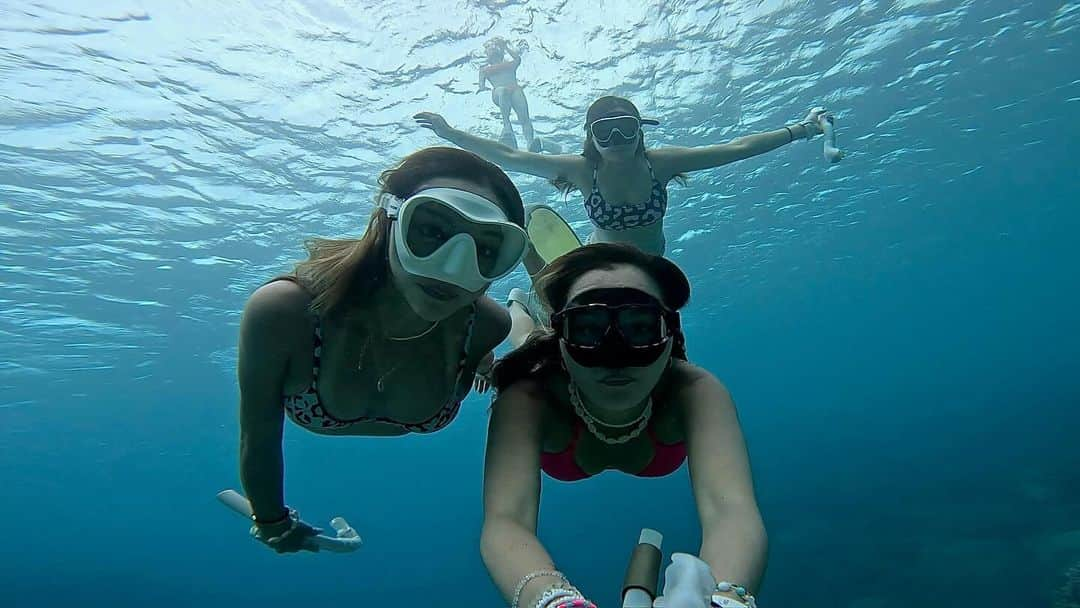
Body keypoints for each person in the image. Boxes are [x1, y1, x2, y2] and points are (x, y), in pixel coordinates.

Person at [237, 147, 528, 552]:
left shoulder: (488, 325)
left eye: (487, 248)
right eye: (430, 230)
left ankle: (521, 307)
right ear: (388, 220)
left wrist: (482, 358)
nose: (453, 268)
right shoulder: (285, 312)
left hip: (481, 338)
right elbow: (258, 437)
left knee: (516, 335)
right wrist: (271, 520)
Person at [480, 243, 767, 608]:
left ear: (669, 334)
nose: (614, 355)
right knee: (525, 339)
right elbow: (505, 521)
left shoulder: (694, 391)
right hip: (549, 363)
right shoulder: (529, 399)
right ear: (564, 340)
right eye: (586, 329)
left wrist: (723, 599)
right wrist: (557, 603)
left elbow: (732, 510)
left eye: (640, 327)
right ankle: (520, 306)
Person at [416, 95, 831, 256]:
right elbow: (509, 153)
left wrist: (800, 130)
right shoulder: (581, 170)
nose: (616, 139)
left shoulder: (662, 163)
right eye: (604, 131)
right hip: (601, 259)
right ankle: (524, 300)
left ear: (640, 132)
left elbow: (736, 148)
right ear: (591, 139)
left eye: (626, 129)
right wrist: (450, 133)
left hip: (652, 261)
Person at [478, 37, 540, 152]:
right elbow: (481, 84)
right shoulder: (484, 69)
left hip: (515, 89)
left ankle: (530, 143)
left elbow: (518, 58)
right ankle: (507, 127)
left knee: (524, 118)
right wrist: (482, 88)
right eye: (489, 49)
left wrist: (506, 46)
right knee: (502, 91)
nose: (492, 50)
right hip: (498, 91)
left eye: (494, 48)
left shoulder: (510, 64)